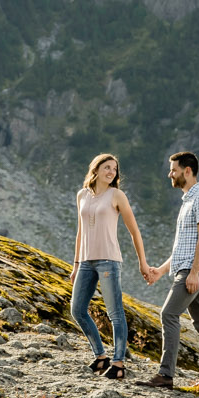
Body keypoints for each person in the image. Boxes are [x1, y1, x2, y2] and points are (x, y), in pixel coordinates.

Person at [70, 153, 152, 379]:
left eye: (114, 169)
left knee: (115, 313)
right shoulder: (82, 195)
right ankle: (100, 357)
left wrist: (142, 263)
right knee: (77, 310)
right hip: (86, 261)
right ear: (95, 169)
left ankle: (118, 363)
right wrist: (76, 264)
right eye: (107, 167)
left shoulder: (117, 195)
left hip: (109, 260)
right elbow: (80, 231)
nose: (111, 172)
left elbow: (134, 231)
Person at [144, 150, 199, 387]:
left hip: (192, 271)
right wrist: (162, 269)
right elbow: (183, 247)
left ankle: (166, 375)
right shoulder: (188, 200)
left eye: (174, 170)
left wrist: (195, 273)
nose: (170, 174)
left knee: (168, 314)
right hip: (187, 268)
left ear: (187, 171)